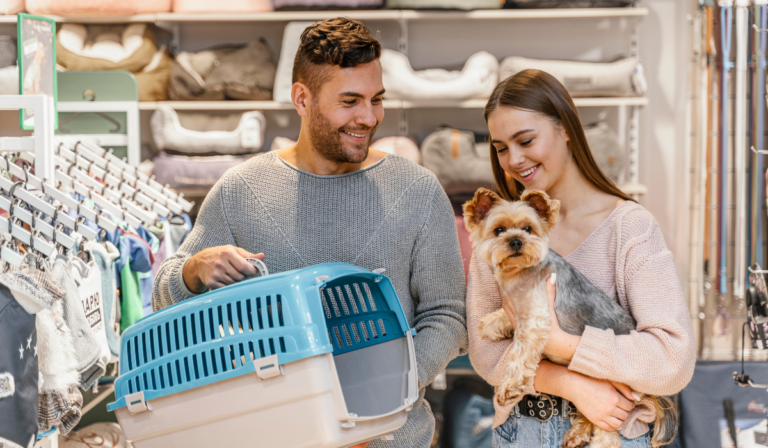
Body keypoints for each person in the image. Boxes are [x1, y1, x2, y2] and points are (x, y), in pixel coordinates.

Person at [152, 17, 468, 448]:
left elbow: (447, 315)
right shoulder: (240, 189)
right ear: (302, 98)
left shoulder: (417, 189)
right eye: (350, 101)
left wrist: (383, 387)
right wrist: (193, 270)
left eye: (377, 99)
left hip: (391, 438)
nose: (369, 117)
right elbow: (163, 298)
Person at [466, 70, 695, 448]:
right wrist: (572, 384)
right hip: (520, 433)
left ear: (567, 127)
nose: (514, 159)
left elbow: (672, 360)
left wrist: (563, 346)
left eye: (525, 140)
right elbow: (484, 351)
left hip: (613, 432)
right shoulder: (496, 238)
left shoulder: (630, 228)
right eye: (501, 148)